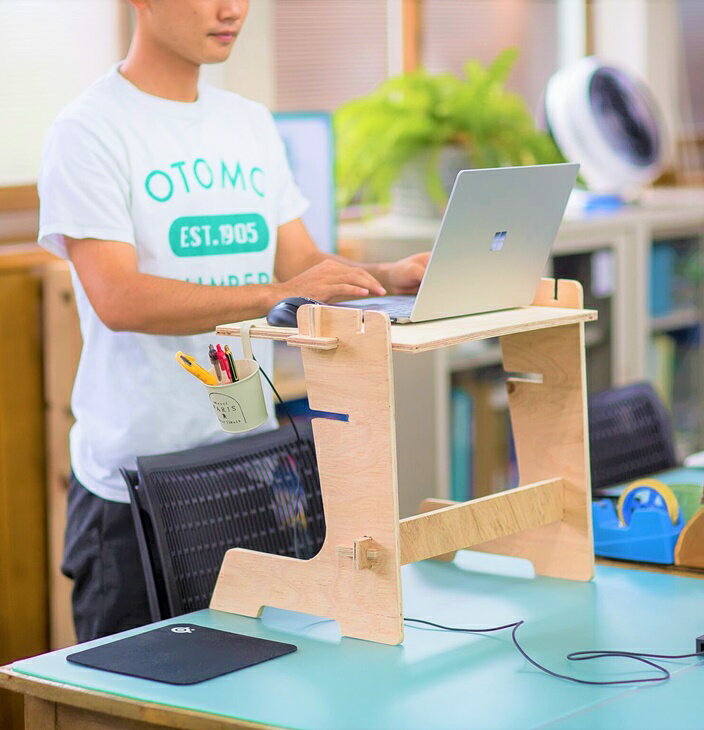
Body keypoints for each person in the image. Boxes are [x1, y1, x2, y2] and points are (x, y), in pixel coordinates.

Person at [38, 0, 429, 642]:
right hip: (136, 489)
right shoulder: (89, 128)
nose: (233, 10)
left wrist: (383, 277)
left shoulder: (247, 122)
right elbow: (119, 297)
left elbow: (298, 261)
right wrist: (278, 291)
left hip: (248, 466)